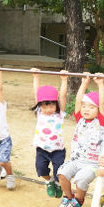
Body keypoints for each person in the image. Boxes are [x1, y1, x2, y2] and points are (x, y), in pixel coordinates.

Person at [56, 73, 104, 207]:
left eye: (91, 107)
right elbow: (78, 101)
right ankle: (68, 197)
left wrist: (100, 84)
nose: (86, 109)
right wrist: (84, 83)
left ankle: (79, 199)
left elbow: (103, 103)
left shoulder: (101, 122)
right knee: (61, 173)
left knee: (80, 179)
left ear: (98, 111)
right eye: (85, 106)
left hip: (92, 163)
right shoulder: (80, 118)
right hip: (76, 159)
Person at [31, 69, 68, 198]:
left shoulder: (59, 114)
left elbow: (62, 96)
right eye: (44, 106)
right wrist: (36, 77)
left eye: (51, 106)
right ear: (40, 106)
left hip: (57, 150)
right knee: (40, 169)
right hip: (42, 149)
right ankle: (49, 181)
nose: (47, 109)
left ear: (56, 105)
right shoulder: (40, 112)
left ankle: (57, 183)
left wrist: (64, 80)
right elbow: (37, 94)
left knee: (59, 172)